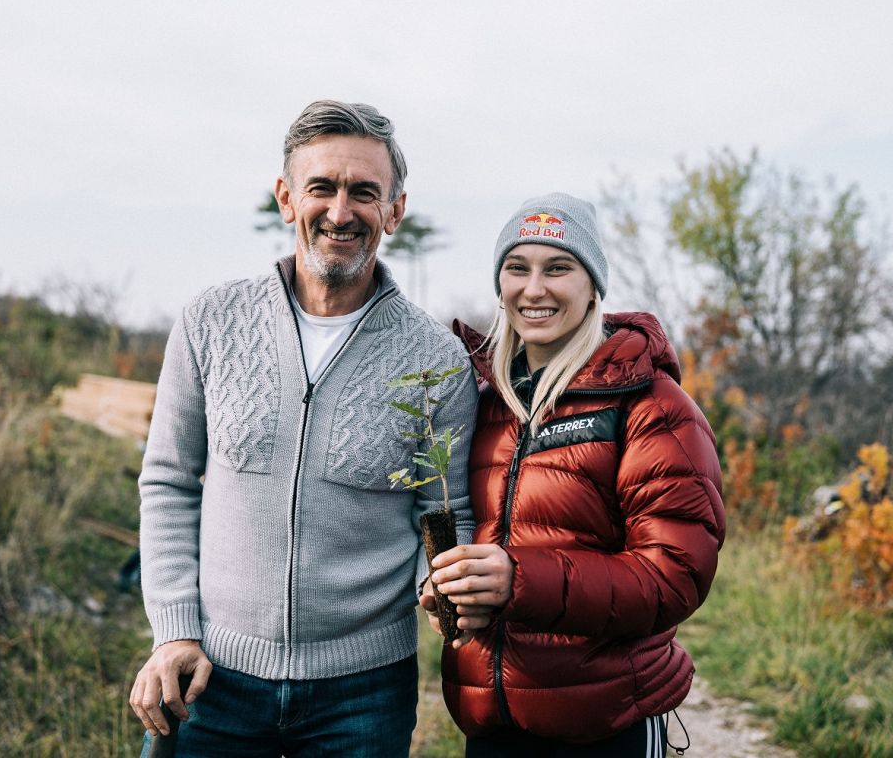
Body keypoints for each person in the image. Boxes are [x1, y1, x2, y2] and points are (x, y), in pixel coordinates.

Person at [130, 100, 478, 757]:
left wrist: (443, 586)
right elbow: (169, 483)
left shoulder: (437, 359)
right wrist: (174, 631)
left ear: (394, 212)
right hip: (212, 675)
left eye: (364, 193)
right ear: (288, 199)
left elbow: (445, 512)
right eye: (323, 187)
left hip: (364, 696)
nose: (341, 212)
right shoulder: (210, 322)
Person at [421, 193, 725, 757]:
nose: (534, 289)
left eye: (558, 268)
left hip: (606, 723)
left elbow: (676, 574)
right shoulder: (482, 404)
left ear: (593, 287)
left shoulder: (652, 406)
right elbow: (462, 525)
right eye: (518, 268)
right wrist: (447, 588)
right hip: (492, 725)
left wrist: (521, 580)